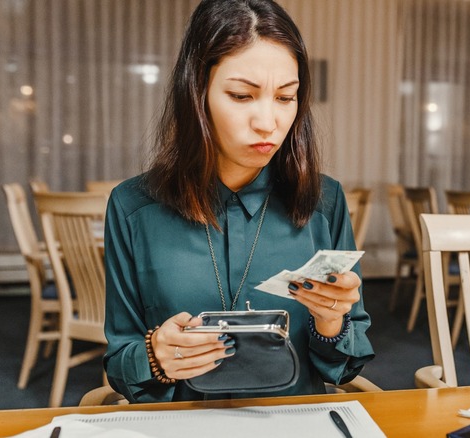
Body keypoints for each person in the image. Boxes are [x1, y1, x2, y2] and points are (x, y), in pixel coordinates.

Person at [103, 0, 374, 403]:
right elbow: (119, 365)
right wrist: (155, 356)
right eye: (242, 96)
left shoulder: (324, 201)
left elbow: (344, 366)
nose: (268, 122)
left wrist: (331, 322)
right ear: (197, 93)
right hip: (181, 427)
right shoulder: (133, 207)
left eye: (285, 98)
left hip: (292, 424)